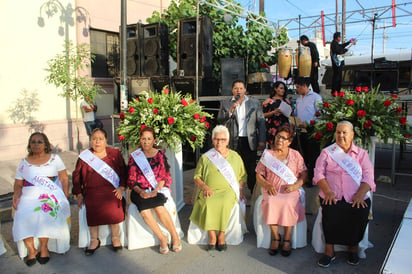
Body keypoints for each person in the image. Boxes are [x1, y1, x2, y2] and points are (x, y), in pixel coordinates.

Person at [313, 121, 375, 267]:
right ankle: (329, 251)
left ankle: (353, 248)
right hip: (332, 194)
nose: (340, 135)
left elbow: (368, 177)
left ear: (352, 135)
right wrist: (327, 191)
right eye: (338, 132)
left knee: (359, 211)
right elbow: (318, 174)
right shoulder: (327, 152)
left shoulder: (361, 154)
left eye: (344, 132)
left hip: (355, 196)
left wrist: (360, 194)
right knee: (331, 212)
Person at [12, 132, 70, 266]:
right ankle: (31, 250)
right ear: (29, 145)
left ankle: (44, 247)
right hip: (28, 195)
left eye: (39, 142)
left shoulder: (55, 159)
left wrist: (64, 196)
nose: (36, 144)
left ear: (45, 145)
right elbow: (18, 184)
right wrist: (16, 195)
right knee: (22, 215)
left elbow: (64, 178)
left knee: (46, 212)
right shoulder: (24, 163)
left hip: (50, 194)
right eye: (33, 142)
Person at [189, 125, 247, 251]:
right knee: (208, 202)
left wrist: (240, 189)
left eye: (222, 139)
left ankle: (221, 235)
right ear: (212, 140)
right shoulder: (206, 157)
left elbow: (242, 177)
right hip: (209, 189)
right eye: (216, 139)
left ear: (227, 141)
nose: (219, 142)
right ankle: (212, 236)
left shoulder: (235, 156)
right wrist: (204, 187)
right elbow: (197, 177)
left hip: (228, 190)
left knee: (225, 203)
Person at [72, 128, 127, 255]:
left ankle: (115, 237)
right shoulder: (85, 157)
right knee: (92, 203)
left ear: (106, 140)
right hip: (91, 191)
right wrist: (78, 193)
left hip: (112, 190)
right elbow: (76, 176)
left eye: (100, 139)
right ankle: (94, 240)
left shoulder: (115, 154)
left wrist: (122, 187)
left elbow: (124, 172)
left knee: (114, 203)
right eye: (94, 139)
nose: (97, 142)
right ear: (90, 140)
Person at [127, 126, 182, 254]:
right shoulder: (135, 156)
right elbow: (131, 180)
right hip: (139, 191)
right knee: (144, 210)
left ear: (154, 140)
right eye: (143, 139)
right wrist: (141, 192)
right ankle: (162, 238)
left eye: (149, 139)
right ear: (140, 140)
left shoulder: (160, 155)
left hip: (157, 189)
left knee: (159, 207)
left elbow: (163, 176)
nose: (146, 142)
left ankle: (175, 236)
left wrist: (155, 191)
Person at [255, 126, 307, 257]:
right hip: (272, 188)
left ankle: (287, 239)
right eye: (278, 137)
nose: (279, 140)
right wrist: (267, 184)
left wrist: (297, 185)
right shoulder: (268, 155)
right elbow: (259, 175)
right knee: (271, 202)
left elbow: (304, 173)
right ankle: (276, 237)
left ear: (289, 141)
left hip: (290, 189)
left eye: (283, 138)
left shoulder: (296, 155)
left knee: (289, 203)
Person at [217, 79, 266, 192]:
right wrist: (231, 110)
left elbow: (261, 122)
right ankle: (233, 191)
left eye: (240, 88)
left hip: (250, 140)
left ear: (245, 90)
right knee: (232, 166)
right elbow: (220, 120)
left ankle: (253, 191)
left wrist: (262, 140)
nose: (238, 91)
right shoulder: (226, 103)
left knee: (251, 167)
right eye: (236, 88)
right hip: (233, 140)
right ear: (232, 90)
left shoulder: (254, 103)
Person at [292, 77, 322, 187]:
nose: (297, 90)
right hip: (300, 130)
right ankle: (302, 177)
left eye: (298, 87)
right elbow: (296, 113)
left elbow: (320, 115)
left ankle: (312, 178)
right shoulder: (299, 99)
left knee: (312, 155)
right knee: (301, 154)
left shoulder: (316, 98)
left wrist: (309, 123)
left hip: (311, 130)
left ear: (305, 86)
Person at [262, 81, 291, 147]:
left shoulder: (286, 101)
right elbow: (263, 115)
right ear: (275, 89)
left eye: (284, 89)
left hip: (284, 126)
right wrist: (273, 112)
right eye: (281, 88)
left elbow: (291, 114)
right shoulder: (269, 101)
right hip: (273, 126)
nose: (283, 90)